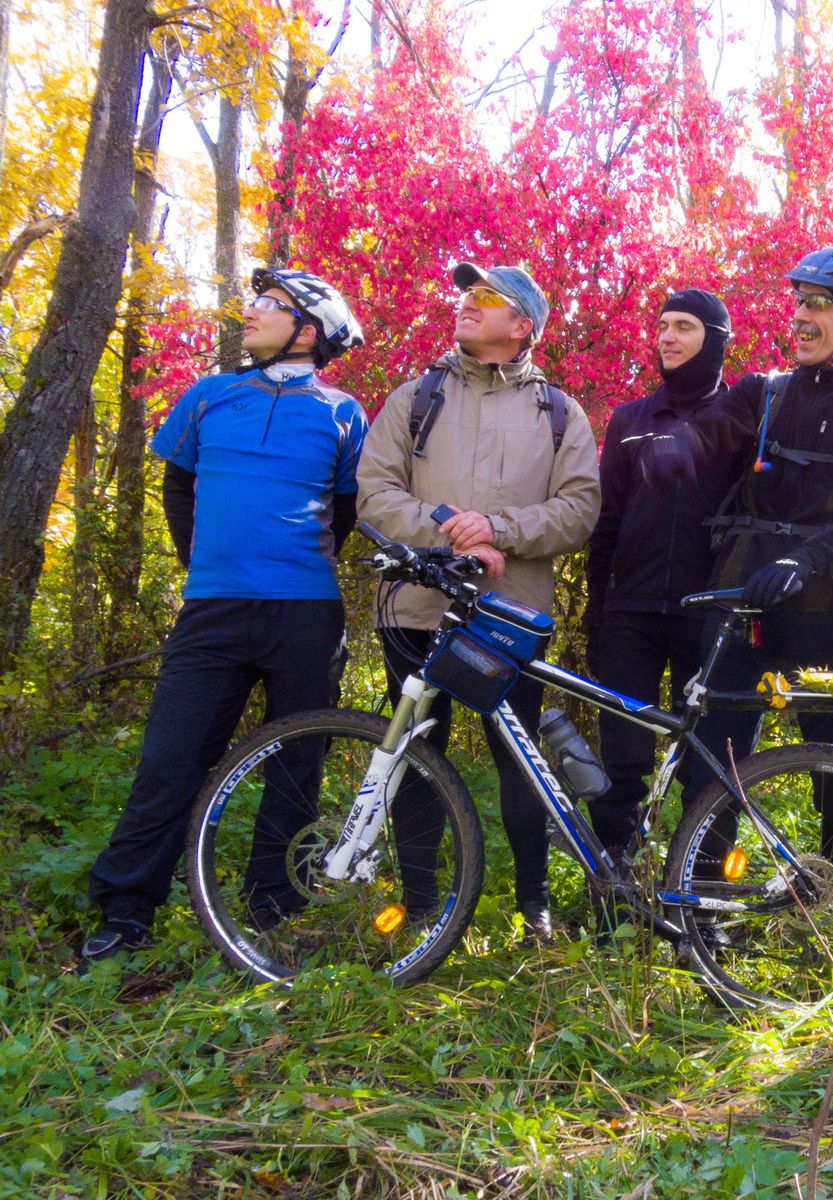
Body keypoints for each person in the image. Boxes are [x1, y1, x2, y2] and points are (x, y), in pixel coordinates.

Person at [80, 267, 368, 960]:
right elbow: (178, 490)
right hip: (212, 611)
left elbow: (347, 510)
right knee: (170, 759)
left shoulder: (344, 413)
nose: (251, 311)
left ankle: (273, 907)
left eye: (271, 304)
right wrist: (206, 567)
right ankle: (125, 912)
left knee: (297, 763)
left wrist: (288, 564)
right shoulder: (209, 395)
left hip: (306, 614)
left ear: (309, 332)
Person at [357, 262, 600, 944]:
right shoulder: (415, 398)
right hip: (418, 607)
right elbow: (374, 490)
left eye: (486, 296)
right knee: (415, 755)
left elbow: (579, 509)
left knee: (520, 761)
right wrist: (452, 532)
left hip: (509, 614)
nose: (467, 301)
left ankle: (534, 909)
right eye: (465, 292)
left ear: (523, 327)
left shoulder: (560, 413)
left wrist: (499, 530)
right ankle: (422, 908)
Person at [685, 247, 833, 918]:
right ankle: (706, 911)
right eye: (799, 302)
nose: (801, 317)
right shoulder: (763, 393)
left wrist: (804, 562)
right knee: (715, 762)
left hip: (823, 610)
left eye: (819, 305)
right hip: (740, 603)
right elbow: (695, 448)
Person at [584, 289, 748, 871]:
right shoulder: (630, 420)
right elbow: (606, 521)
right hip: (630, 613)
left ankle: (701, 896)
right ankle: (617, 891)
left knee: (710, 766)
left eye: (684, 326)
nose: (668, 337)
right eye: (662, 326)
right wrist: (597, 610)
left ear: (715, 340)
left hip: (709, 617)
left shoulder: (744, 421)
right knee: (622, 759)